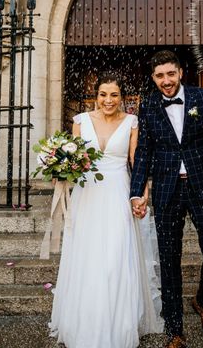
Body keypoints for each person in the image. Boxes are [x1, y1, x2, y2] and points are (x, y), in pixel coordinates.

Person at [130, 50, 203, 348]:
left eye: (170, 74)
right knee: (169, 259)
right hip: (166, 189)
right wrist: (137, 190)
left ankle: (202, 302)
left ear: (180, 73)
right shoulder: (148, 104)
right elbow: (143, 152)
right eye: (159, 76)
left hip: (202, 185)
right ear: (153, 78)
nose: (166, 81)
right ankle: (174, 329)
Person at [48, 72, 163, 347]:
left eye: (114, 94)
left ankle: (118, 323)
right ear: (96, 95)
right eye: (103, 94)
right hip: (88, 195)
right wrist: (61, 169)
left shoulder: (132, 122)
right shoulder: (81, 121)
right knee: (87, 256)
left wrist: (142, 195)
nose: (108, 100)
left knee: (116, 255)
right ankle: (85, 321)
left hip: (118, 194)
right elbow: (73, 157)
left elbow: (137, 162)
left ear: (122, 97)